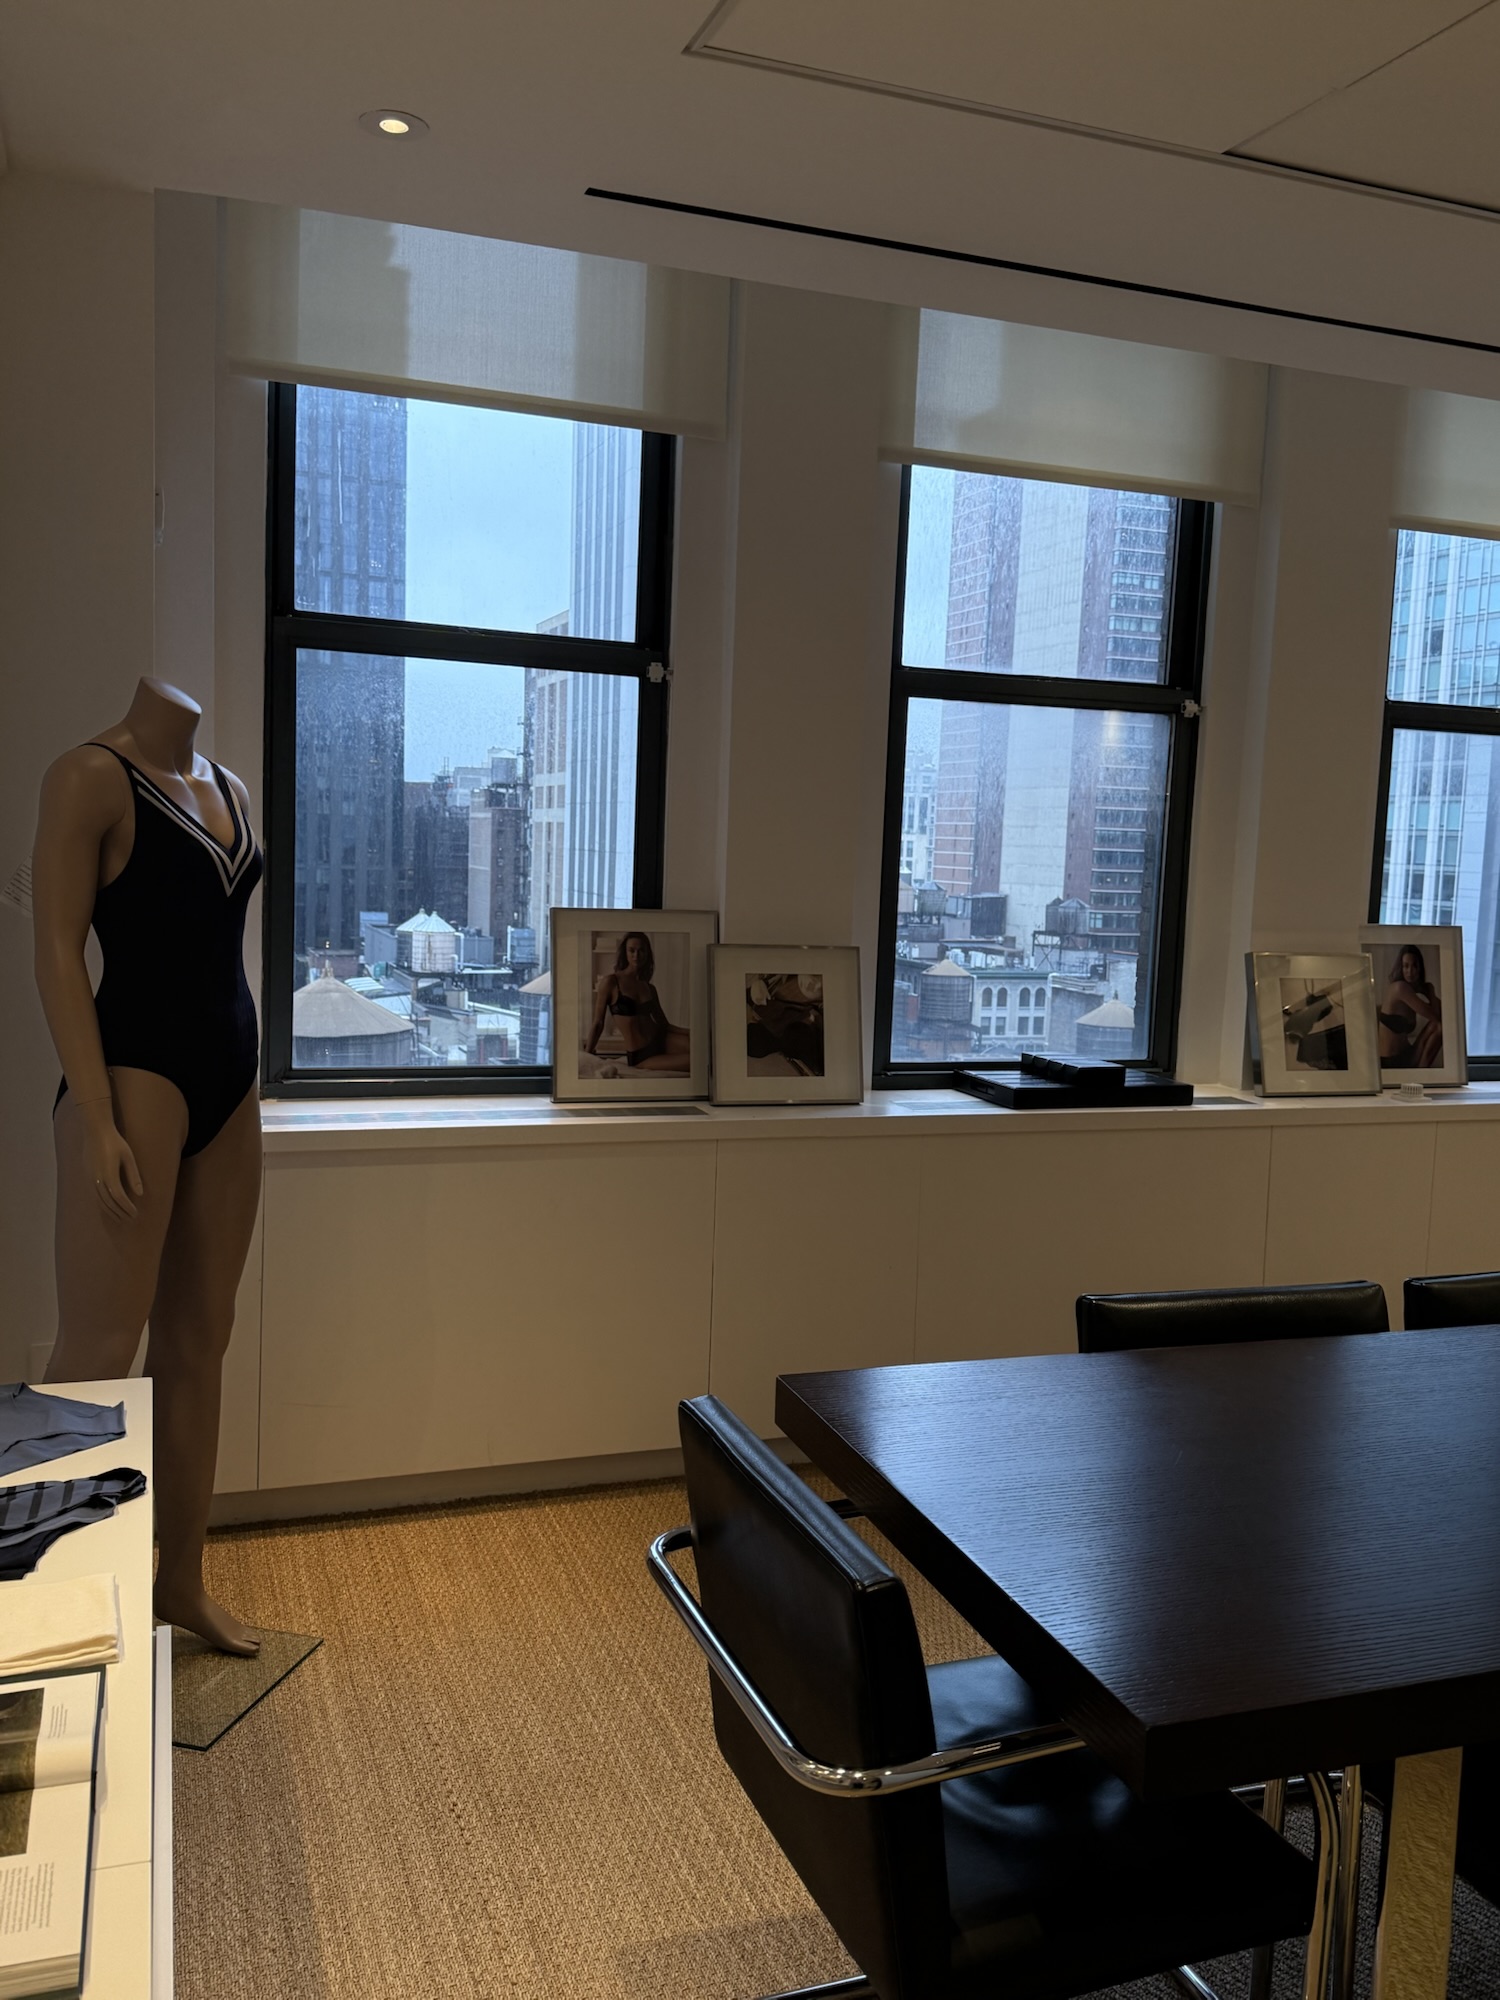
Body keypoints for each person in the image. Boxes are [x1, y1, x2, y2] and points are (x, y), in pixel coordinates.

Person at [31, 677, 262, 1655]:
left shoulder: (230, 786)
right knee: (97, 1349)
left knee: (201, 1339)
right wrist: (93, 1114)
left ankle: (181, 1580)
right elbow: (55, 945)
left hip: (231, 1076)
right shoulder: (90, 775)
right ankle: (43, 1605)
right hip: (132, 1075)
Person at [583, 931, 690, 1073]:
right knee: (696, 1059)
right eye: (632, 950)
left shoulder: (649, 988)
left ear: (647, 954)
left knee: (702, 1046)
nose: (636, 955)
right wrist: (587, 1056)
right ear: (625, 953)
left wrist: (690, 1032)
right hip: (642, 1054)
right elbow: (598, 1023)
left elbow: (664, 1024)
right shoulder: (611, 982)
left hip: (661, 1040)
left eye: (641, 950)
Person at [1377, 943, 1442, 1069]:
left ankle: (1422, 1073)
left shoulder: (1411, 990)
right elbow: (1435, 1016)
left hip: (1406, 1054)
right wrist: (1431, 990)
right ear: (1400, 968)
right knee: (1439, 1026)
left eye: (1414, 966)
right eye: (1405, 966)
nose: (1410, 972)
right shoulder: (1400, 988)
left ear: (1420, 968)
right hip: (1391, 1061)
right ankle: (1423, 1074)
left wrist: (1426, 990)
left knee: (1439, 1026)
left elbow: (1442, 1012)